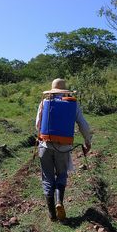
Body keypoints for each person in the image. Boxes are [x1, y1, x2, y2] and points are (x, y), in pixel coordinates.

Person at [35, 78, 92, 221]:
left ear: (52, 91)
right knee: (61, 174)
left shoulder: (44, 103)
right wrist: (87, 141)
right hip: (64, 148)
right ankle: (59, 202)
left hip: (45, 146)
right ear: (65, 91)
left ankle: (52, 215)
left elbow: (38, 125)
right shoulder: (73, 105)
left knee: (47, 178)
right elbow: (83, 125)